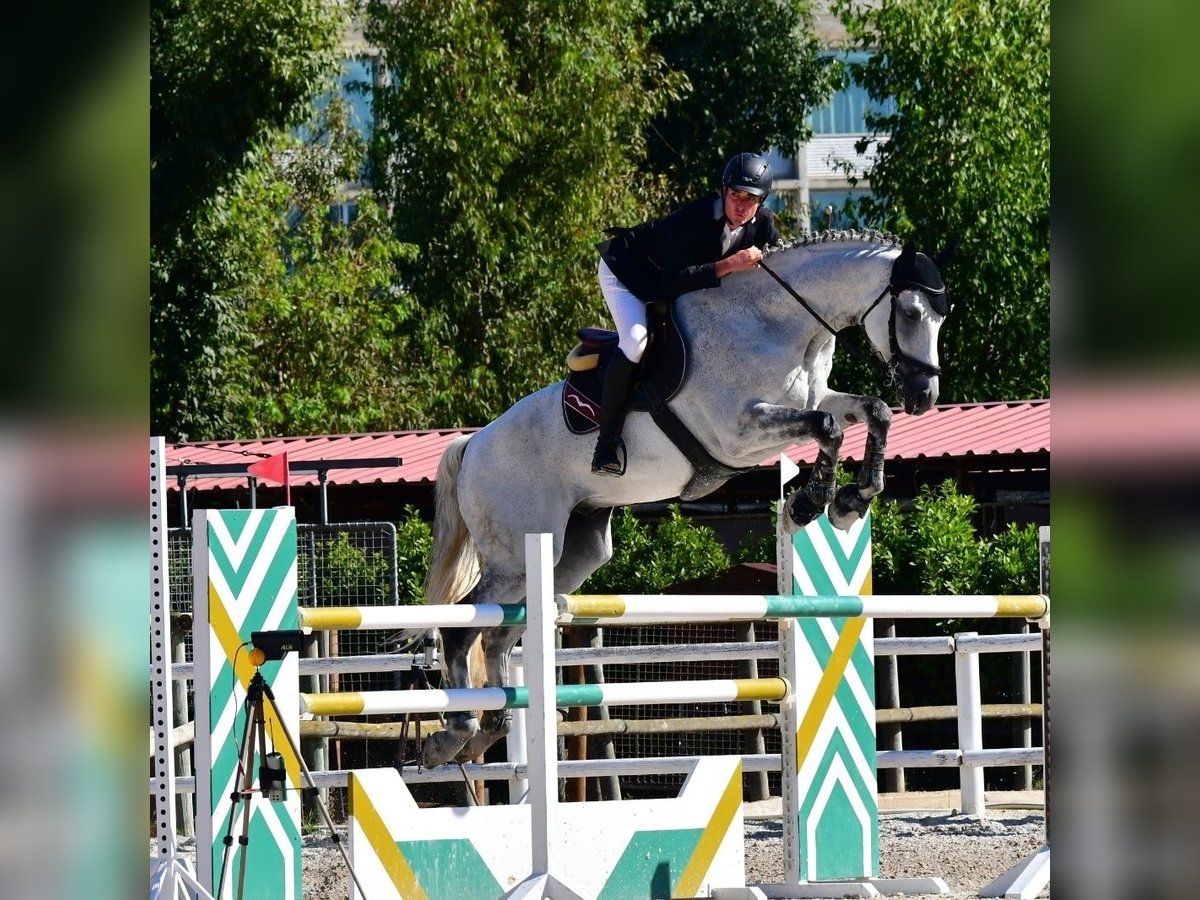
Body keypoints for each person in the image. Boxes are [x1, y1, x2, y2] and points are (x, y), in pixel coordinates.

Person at [591, 151, 781, 476]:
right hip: (629, 273)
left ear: (761, 203)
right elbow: (672, 281)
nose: (741, 205)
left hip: (674, 287)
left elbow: (777, 273)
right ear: (724, 192)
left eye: (751, 199)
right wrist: (728, 265)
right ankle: (605, 444)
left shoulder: (763, 226)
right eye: (736, 195)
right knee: (637, 341)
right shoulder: (694, 218)